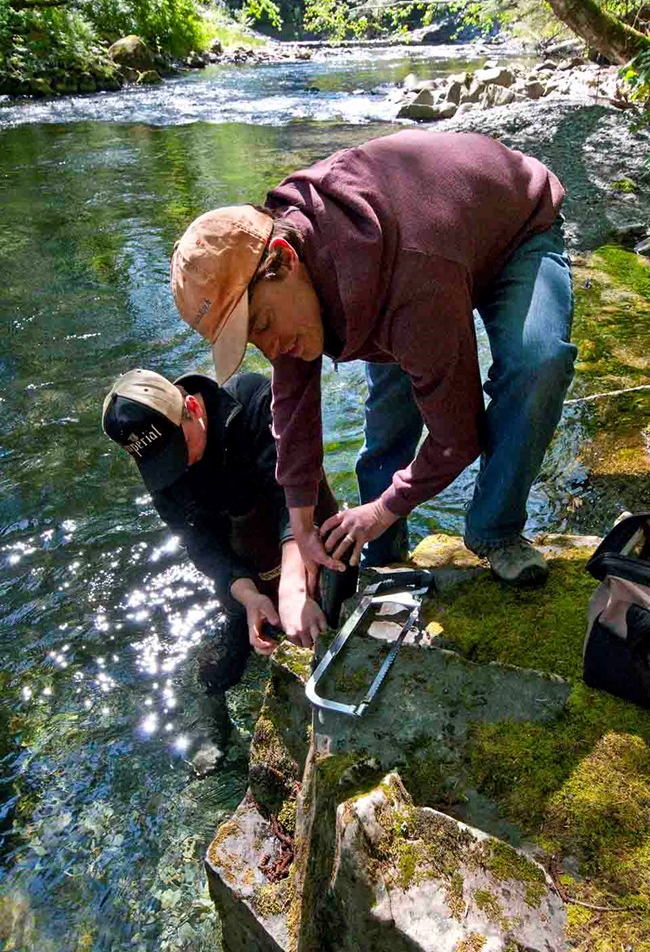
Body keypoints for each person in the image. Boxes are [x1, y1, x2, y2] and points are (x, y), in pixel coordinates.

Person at [169, 129, 577, 588]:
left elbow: (456, 438)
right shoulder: (280, 268)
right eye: (249, 340)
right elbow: (294, 404)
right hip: (414, 258)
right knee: (388, 420)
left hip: (513, 230)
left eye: (260, 325)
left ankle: (495, 530)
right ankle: (381, 556)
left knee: (537, 364)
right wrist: (300, 528)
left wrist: (384, 507)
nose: (269, 349)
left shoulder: (411, 287)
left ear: (285, 259)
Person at [101, 368, 336, 750]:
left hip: (309, 533)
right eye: (162, 463)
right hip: (248, 563)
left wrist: (295, 585)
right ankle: (215, 725)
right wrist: (247, 596)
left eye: (179, 450)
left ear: (191, 407)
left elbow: (292, 493)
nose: (181, 468)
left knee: (334, 628)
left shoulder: (255, 401)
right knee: (216, 670)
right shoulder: (164, 477)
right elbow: (200, 545)